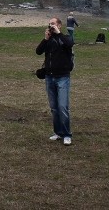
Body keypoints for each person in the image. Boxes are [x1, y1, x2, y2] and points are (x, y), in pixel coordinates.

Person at [36, 17, 74, 145]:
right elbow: (38, 51)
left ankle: (67, 134)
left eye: (53, 24)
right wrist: (45, 39)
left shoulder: (65, 38)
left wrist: (58, 33)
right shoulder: (49, 39)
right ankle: (58, 132)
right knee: (54, 108)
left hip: (62, 77)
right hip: (49, 77)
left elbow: (69, 44)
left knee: (63, 106)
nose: (51, 26)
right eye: (49, 24)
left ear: (59, 25)